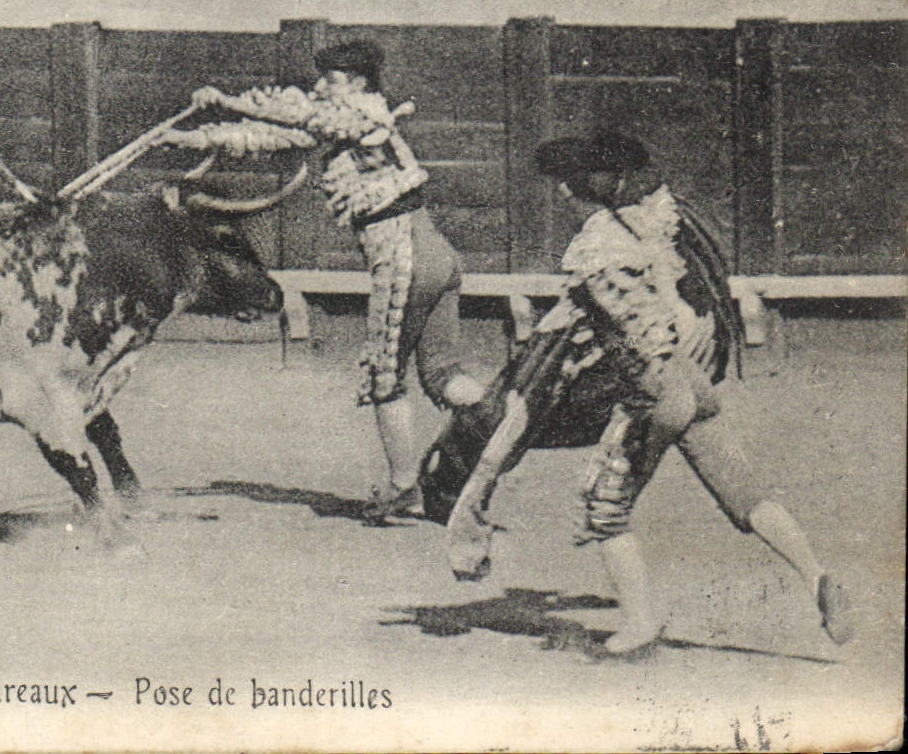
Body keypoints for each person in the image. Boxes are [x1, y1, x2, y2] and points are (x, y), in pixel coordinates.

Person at [440, 130, 854, 655]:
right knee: (745, 495)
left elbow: (599, 338)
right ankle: (818, 578)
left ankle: (638, 628)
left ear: (581, 189)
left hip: (654, 392)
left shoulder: (597, 248)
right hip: (695, 383)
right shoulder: (652, 223)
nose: (562, 196)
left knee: (603, 510)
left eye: (567, 186)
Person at [172, 40, 487, 518]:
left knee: (385, 378)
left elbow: (309, 119)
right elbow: (276, 135)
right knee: (442, 373)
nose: (319, 88)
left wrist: (228, 98)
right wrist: (196, 139)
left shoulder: (362, 111)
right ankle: (500, 425)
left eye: (331, 79)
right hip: (435, 251)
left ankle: (406, 484)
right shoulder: (355, 120)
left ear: (359, 82)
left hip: (401, 253)